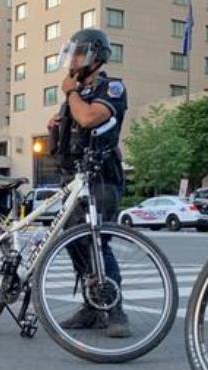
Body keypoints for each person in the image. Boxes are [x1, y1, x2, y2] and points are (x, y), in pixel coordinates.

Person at [47, 28, 131, 339]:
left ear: (95, 56)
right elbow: (66, 135)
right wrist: (54, 126)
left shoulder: (111, 88)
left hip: (101, 176)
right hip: (73, 179)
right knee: (75, 243)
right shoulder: (76, 94)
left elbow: (89, 119)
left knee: (98, 242)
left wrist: (70, 94)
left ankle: (115, 309)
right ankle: (91, 306)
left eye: (78, 54)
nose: (72, 61)